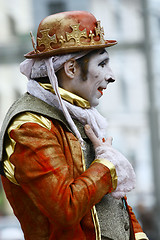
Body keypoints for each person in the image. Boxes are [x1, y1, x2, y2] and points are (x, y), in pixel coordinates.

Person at [0, 11, 148, 240]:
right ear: (71, 69)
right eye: (103, 63)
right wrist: (106, 165)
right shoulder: (30, 127)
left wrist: (138, 235)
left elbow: (112, 205)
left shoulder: (77, 115)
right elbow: (65, 208)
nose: (111, 76)